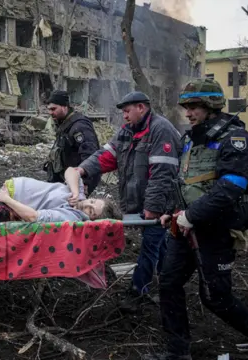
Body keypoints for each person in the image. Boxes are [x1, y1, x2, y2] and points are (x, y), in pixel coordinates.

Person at [145, 78, 248, 360]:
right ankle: (177, 352)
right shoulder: (190, 139)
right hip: (184, 227)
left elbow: (230, 187)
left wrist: (190, 216)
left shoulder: (235, 139)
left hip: (216, 229)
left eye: (194, 106)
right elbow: (184, 182)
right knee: (169, 283)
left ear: (211, 106)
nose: (188, 113)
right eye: (186, 107)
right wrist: (172, 213)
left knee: (216, 298)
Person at [75, 91, 181, 312]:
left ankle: (137, 291)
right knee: (160, 245)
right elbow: (106, 156)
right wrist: (82, 169)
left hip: (160, 204)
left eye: (127, 111)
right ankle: (169, 283)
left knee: (150, 246)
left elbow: (162, 174)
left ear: (141, 108)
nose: (124, 116)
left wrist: (152, 208)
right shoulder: (127, 132)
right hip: (139, 202)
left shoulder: (161, 130)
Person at [43, 90, 101, 195]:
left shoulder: (79, 126)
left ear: (65, 107)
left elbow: (90, 155)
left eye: (53, 109)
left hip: (78, 181)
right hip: (66, 180)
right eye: (49, 109)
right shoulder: (64, 124)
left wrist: (85, 182)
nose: (50, 113)